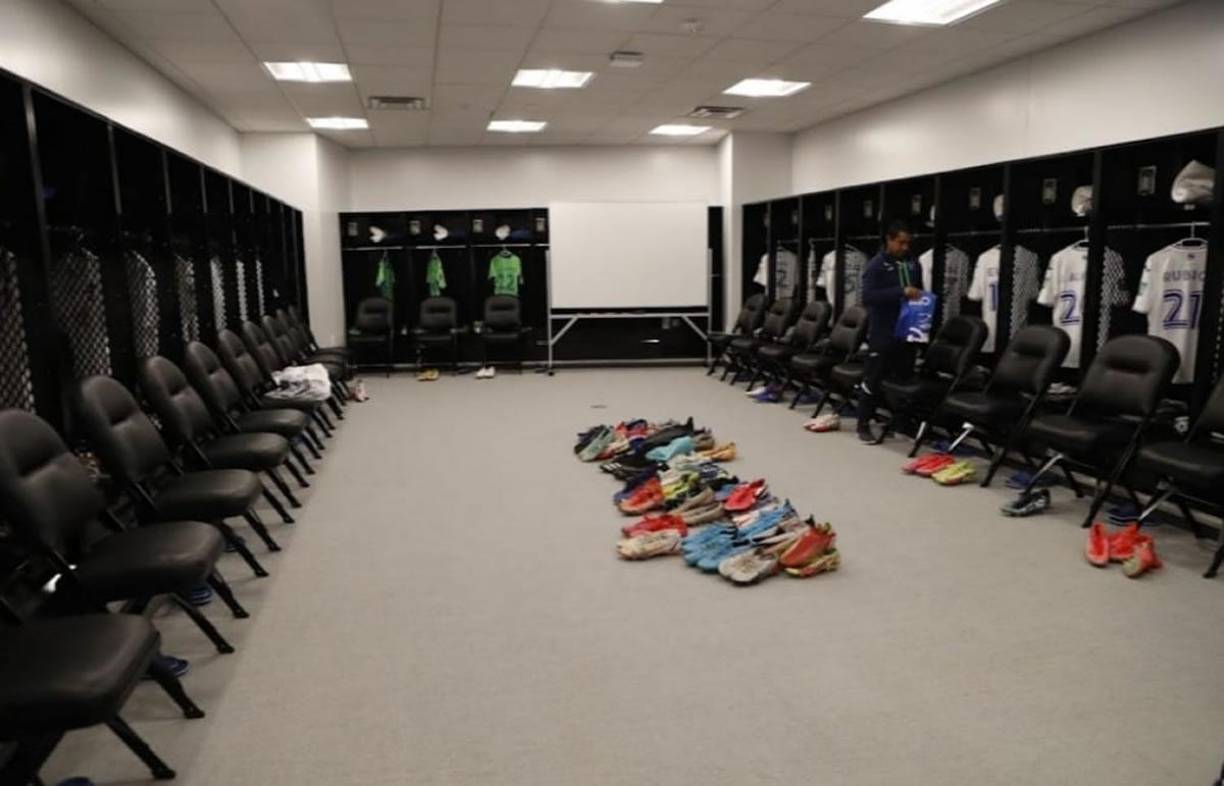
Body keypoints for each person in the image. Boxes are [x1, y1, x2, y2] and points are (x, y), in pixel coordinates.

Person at [857, 220, 924, 443]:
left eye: (908, 243)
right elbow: (868, 297)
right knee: (873, 377)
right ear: (889, 240)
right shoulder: (876, 264)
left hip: (908, 330)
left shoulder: (914, 263)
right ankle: (863, 424)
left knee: (904, 377)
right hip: (883, 330)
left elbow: (918, 291)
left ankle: (901, 424)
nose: (905, 247)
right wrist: (900, 292)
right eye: (900, 242)